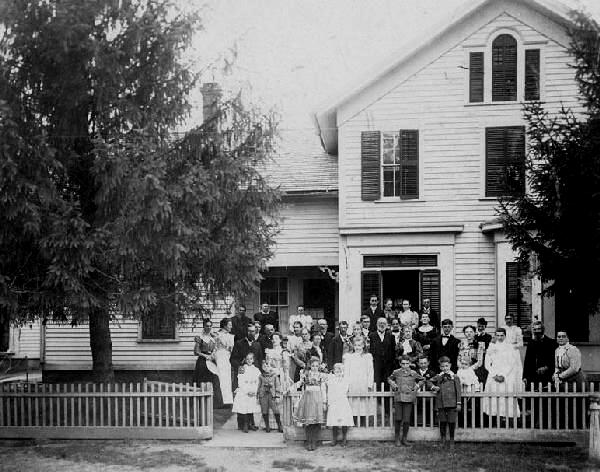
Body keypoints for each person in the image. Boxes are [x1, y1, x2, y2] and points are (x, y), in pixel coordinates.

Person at [482, 328, 523, 421]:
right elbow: (487, 363)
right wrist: (494, 375)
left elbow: (512, 363)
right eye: (498, 335)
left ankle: (506, 418)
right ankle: (494, 419)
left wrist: (503, 375)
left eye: (502, 335)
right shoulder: (491, 347)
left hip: (506, 376)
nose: (500, 337)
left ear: (505, 336)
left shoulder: (510, 347)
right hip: (493, 375)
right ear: (495, 336)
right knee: (493, 396)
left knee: (505, 396)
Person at [388, 355, 425, 446]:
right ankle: (397, 439)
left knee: (407, 420)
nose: (405, 365)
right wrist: (393, 384)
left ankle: (404, 439)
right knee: (398, 418)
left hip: (408, 398)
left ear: (410, 363)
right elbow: (389, 378)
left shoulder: (413, 373)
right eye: (403, 364)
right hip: (399, 397)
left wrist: (417, 386)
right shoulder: (396, 372)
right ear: (400, 364)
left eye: (407, 363)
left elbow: (423, 379)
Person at [293, 356, 327, 451]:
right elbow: (299, 384)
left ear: (319, 366)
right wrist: (291, 388)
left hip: (317, 400)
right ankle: (308, 441)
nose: (315, 367)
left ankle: (314, 441)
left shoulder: (321, 376)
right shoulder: (306, 375)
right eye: (313, 365)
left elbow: (323, 389)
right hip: (308, 399)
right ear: (310, 366)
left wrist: (324, 402)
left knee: (316, 422)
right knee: (308, 422)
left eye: (317, 366)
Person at [429, 356, 462, 447]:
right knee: (442, 421)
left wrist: (458, 403)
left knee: (451, 422)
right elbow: (428, 381)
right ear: (440, 367)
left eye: (446, 366)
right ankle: (442, 439)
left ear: (450, 366)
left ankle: (451, 440)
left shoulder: (455, 377)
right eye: (443, 366)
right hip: (441, 403)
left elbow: (458, 391)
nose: (445, 368)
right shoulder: (438, 376)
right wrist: (433, 387)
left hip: (452, 403)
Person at [343, 336, 375, 426]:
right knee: (353, 404)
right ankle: (354, 424)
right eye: (356, 345)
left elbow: (370, 371)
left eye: (360, 345)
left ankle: (363, 424)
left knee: (363, 405)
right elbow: (346, 372)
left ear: (363, 346)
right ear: (353, 346)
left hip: (363, 383)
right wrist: (347, 384)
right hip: (353, 383)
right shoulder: (349, 357)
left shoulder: (367, 357)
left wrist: (369, 384)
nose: (358, 347)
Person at [194, 318, 223, 408]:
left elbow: (216, 348)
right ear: (203, 326)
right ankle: (201, 403)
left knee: (215, 379)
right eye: (207, 326)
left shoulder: (214, 337)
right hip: (202, 361)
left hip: (212, 360)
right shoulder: (200, 337)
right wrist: (206, 356)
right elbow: (196, 352)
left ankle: (215, 404)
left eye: (210, 326)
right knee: (202, 381)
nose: (209, 327)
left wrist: (213, 354)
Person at [232, 352, 261, 433]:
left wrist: (254, 391)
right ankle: (245, 423)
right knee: (244, 403)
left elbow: (258, 381)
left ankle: (251, 423)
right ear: (245, 359)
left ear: (253, 360)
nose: (249, 360)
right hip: (244, 389)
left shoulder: (256, 369)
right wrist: (246, 391)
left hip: (253, 389)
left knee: (251, 405)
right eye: (247, 359)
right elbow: (240, 381)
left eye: (251, 359)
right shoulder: (242, 368)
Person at [326, 363, 354, 447]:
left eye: (340, 371)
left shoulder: (345, 380)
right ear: (334, 372)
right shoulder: (331, 381)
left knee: (343, 419)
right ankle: (334, 438)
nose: (338, 373)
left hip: (342, 401)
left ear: (343, 372)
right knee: (334, 420)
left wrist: (341, 380)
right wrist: (329, 403)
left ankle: (344, 438)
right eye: (337, 371)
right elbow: (330, 392)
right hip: (334, 402)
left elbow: (345, 390)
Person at [523, 321, 558, 388]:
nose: (537, 331)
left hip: (547, 376)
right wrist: (525, 376)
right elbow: (527, 361)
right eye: (535, 329)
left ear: (543, 330)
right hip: (532, 376)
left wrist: (546, 367)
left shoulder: (551, 343)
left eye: (539, 329)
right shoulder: (531, 343)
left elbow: (554, 360)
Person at [369, 317, 396, 389]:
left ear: (387, 325)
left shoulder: (391, 337)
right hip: (375, 365)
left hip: (388, 367)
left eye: (384, 323)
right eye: (380, 323)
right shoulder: (371, 336)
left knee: (387, 385)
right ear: (376, 325)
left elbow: (393, 352)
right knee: (376, 384)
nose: (382, 325)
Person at [214, 317, 235, 405]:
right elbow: (214, 346)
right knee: (220, 377)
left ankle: (227, 400)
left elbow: (231, 349)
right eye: (230, 325)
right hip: (219, 356)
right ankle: (220, 400)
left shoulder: (230, 336)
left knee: (227, 378)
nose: (231, 327)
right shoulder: (216, 335)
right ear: (224, 325)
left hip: (227, 357)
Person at [258, 363, 283, 433]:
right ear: (262, 367)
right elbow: (259, 386)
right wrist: (258, 395)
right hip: (263, 395)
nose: (266, 367)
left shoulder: (274, 376)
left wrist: (277, 396)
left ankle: (279, 425)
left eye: (268, 366)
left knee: (276, 410)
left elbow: (277, 386)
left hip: (272, 395)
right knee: (264, 410)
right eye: (264, 366)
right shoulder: (261, 376)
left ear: (271, 367)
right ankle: (267, 426)